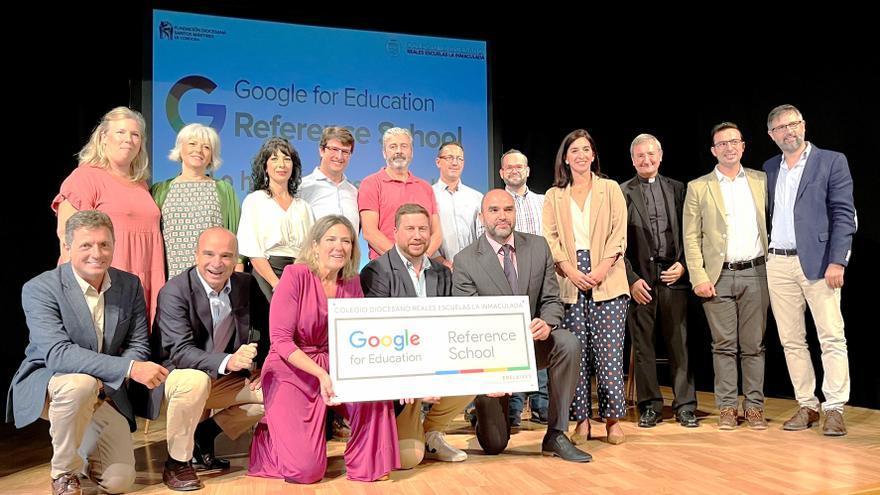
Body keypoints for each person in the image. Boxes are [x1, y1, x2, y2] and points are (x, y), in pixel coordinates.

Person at [6, 210, 168, 495]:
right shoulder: (40, 288)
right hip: (54, 383)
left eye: (104, 244)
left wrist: (109, 381)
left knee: (119, 482)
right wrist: (128, 370)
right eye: (86, 245)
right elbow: (58, 354)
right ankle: (64, 473)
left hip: (106, 390)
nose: (97, 253)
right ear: (68, 247)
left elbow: (139, 345)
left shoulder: (129, 285)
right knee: (81, 384)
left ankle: (81, 451)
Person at [248, 216, 399, 483]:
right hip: (292, 366)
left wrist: (392, 379)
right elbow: (281, 341)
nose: (339, 246)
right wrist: (321, 374)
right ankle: (270, 438)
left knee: (376, 395)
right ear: (315, 245)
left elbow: (359, 336)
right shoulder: (294, 276)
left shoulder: (352, 281)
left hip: (335, 362)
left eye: (346, 241)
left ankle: (366, 465)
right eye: (331, 239)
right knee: (306, 472)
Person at [453, 189, 590, 463]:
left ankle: (556, 434)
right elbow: (468, 321)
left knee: (568, 343)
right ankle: (480, 413)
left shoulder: (538, 247)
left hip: (533, 344)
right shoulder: (465, 260)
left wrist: (548, 322)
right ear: (482, 217)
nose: (502, 216)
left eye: (508, 209)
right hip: (492, 356)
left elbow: (552, 300)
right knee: (494, 445)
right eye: (494, 210)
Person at [762, 104, 856, 436]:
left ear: (804, 125)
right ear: (772, 135)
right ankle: (807, 405)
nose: (791, 131)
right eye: (782, 127)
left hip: (818, 262)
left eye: (795, 123)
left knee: (831, 336)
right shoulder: (770, 167)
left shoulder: (832, 160)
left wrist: (838, 259)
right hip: (778, 262)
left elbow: (845, 214)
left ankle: (834, 408)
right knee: (791, 340)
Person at [149, 227, 268, 491]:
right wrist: (229, 361)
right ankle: (177, 463)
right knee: (194, 380)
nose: (217, 263)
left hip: (224, 378)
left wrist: (264, 367)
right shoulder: (174, 291)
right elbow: (179, 352)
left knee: (277, 391)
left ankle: (204, 435)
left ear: (236, 259)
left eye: (226, 256)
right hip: (179, 375)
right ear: (196, 255)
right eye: (209, 254)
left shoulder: (245, 285)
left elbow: (269, 325)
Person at [360, 203, 473, 468]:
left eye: (423, 229)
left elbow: (449, 327)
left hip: (433, 363)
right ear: (395, 231)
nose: (417, 235)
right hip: (398, 376)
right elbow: (378, 336)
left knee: (476, 374)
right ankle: (403, 431)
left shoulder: (443, 273)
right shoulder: (376, 272)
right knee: (409, 459)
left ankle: (433, 431)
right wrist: (415, 379)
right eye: (410, 228)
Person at [543, 129, 629, 445]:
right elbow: (550, 238)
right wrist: (568, 269)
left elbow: (619, 233)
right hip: (568, 280)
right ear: (565, 158)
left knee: (608, 354)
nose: (580, 155)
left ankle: (612, 421)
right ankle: (581, 420)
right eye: (574, 150)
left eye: (586, 149)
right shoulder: (554, 195)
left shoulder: (610, 189)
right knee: (575, 355)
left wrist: (601, 268)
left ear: (593, 155)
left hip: (608, 278)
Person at [683, 122, 769, 430]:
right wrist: (698, 277)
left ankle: (755, 406)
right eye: (722, 143)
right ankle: (728, 407)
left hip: (756, 272)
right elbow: (690, 237)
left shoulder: (761, 180)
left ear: (743, 146)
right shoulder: (699, 186)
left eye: (734, 142)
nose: (729, 147)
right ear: (713, 150)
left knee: (754, 345)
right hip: (718, 276)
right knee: (723, 346)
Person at [53, 106, 165, 323]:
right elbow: (67, 238)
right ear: (103, 137)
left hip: (143, 278)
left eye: (135, 135)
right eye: (121, 132)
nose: (128, 139)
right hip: (103, 281)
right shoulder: (85, 177)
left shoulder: (141, 184)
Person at [621, 134, 697, 428]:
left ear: (660, 155)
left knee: (680, 344)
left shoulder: (679, 189)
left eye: (651, 154)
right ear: (632, 160)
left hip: (673, 275)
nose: (646, 160)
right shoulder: (621, 191)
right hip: (641, 279)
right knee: (643, 347)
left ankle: (686, 406)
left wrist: (684, 266)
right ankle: (650, 405)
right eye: (640, 156)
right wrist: (631, 279)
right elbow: (614, 242)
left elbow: (692, 233)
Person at [498, 149, 550, 427]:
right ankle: (514, 407)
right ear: (502, 173)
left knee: (540, 338)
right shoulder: (495, 203)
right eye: (509, 167)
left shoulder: (545, 202)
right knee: (513, 343)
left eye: (520, 166)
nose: (515, 170)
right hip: (506, 278)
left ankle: (542, 404)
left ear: (528, 170)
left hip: (540, 277)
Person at [151, 123, 241, 279]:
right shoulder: (160, 190)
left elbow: (236, 238)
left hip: (214, 279)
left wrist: (237, 280)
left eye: (206, 147)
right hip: (173, 280)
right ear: (180, 148)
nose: (198, 150)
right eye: (192, 144)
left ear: (212, 156)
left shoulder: (224, 190)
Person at [238, 137, 314, 301]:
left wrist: (299, 279)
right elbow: (253, 251)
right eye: (274, 159)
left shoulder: (304, 207)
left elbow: (312, 250)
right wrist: (276, 283)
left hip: (299, 275)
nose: (282, 164)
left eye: (287, 159)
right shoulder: (255, 201)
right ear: (265, 167)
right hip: (266, 275)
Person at [358, 127, 442, 260]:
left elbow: (437, 233)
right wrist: (402, 261)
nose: (399, 151)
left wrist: (421, 259)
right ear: (384, 153)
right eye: (393, 146)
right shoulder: (371, 183)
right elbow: (369, 232)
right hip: (385, 268)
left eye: (404, 146)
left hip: (422, 268)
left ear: (411, 152)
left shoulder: (426, 187)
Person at [431, 141, 482, 268]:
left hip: (474, 269)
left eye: (460, 159)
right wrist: (442, 262)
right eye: (449, 158)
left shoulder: (477, 197)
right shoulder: (429, 194)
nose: (455, 163)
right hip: (439, 269)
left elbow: (483, 235)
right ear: (438, 162)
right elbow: (425, 233)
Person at [299, 126, 360, 233]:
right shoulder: (302, 187)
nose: (339, 156)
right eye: (334, 149)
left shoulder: (354, 192)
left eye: (345, 152)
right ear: (322, 150)